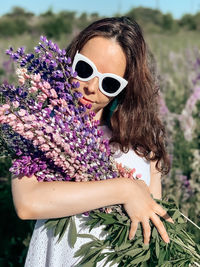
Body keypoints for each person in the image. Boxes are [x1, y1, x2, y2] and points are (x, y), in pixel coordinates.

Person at [11, 17, 172, 266]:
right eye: (84, 69)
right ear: (70, 59)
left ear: (123, 89)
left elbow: (154, 227)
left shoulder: (144, 143)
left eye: (109, 83)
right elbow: (28, 203)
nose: (91, 87)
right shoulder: (39, 125)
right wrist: (125, 189)